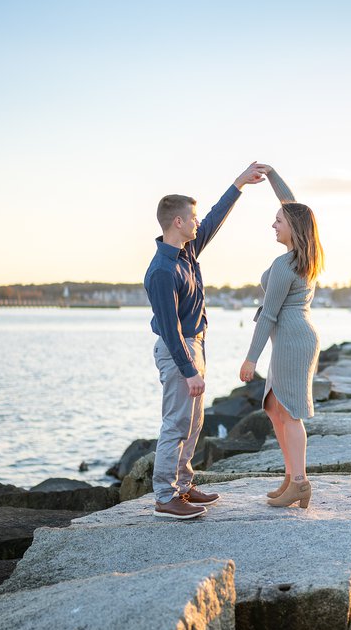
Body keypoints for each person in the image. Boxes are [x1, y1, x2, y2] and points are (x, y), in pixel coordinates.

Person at [145, 162, 268, 520]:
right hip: (177, 349)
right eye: (192, 218)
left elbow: (214, 217)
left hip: (194, 345)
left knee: (195, 423)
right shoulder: (162, 270)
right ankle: (165, 496)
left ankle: (183, 486)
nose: (198, 222)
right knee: (176, 423)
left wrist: (239, 184)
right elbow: (168, 329)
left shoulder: (188, 252)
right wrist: (188, 370)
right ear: (178, 222)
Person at [239, 167, 323, 508]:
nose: (273, 224)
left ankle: (300, 482)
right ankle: (291, 475)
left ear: (293, 228)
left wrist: (250, 358)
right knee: (275, 408)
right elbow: (293, 205)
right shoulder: (304, 255)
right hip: (295, 336)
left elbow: (269, 314)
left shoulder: (285, 264)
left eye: (278, 220)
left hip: (291, 339)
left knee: (289, 413)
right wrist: (272, 175)